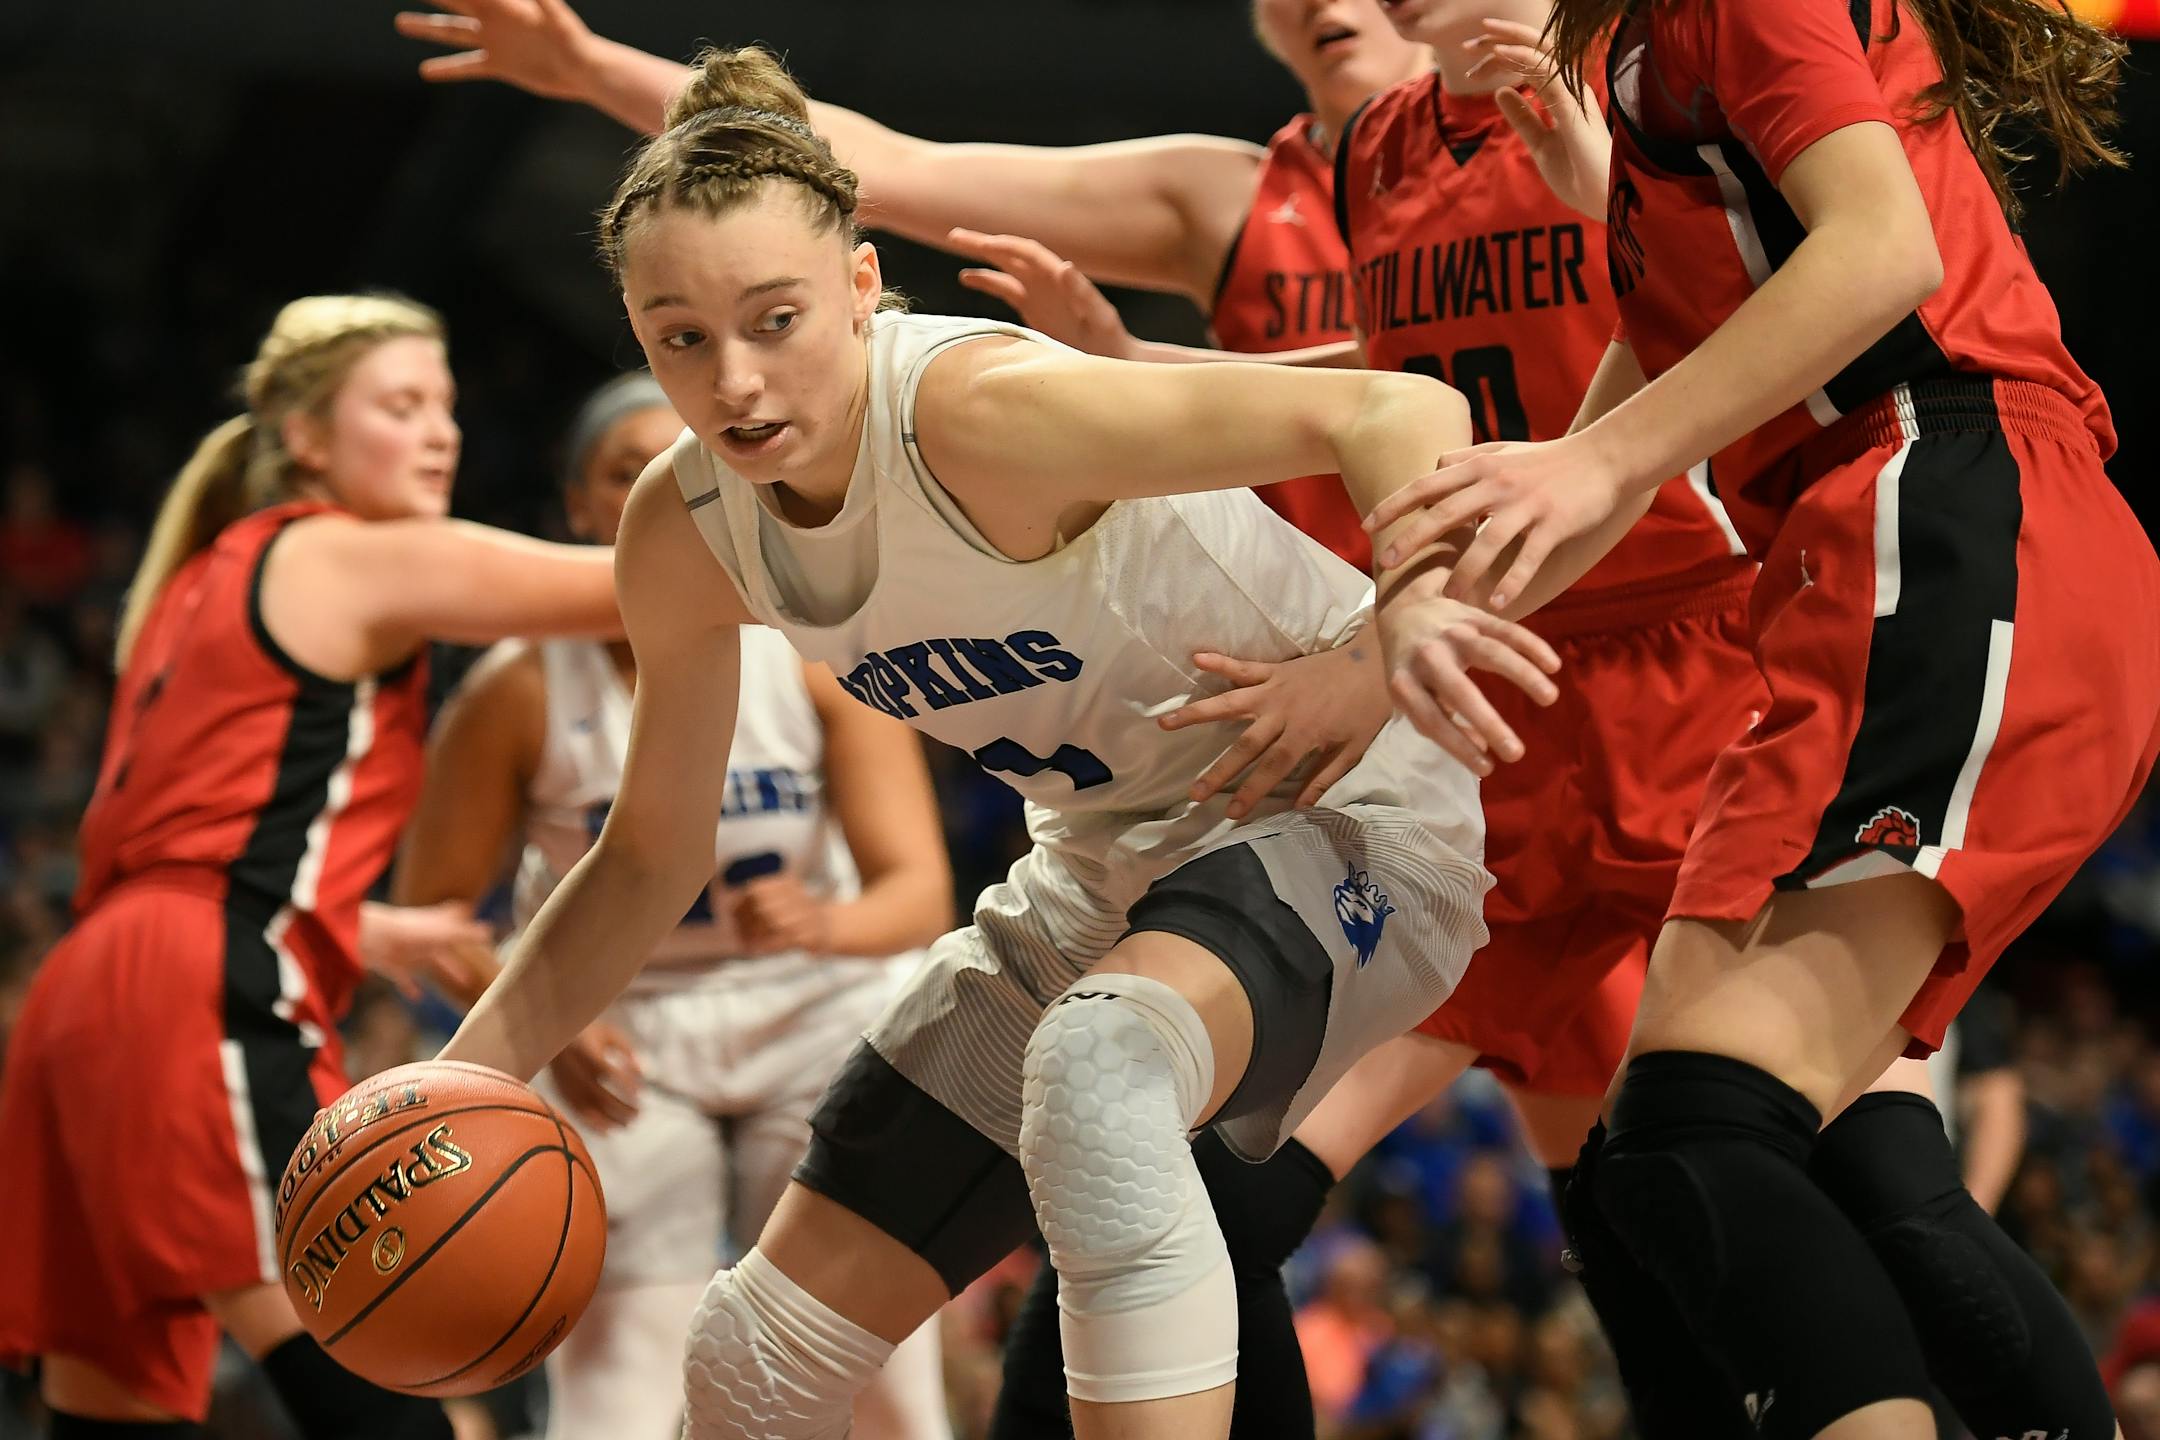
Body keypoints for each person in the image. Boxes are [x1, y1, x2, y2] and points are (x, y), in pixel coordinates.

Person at [435, 45, 1610, 1440]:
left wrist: (1384, 642)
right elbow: (646, 855)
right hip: (1109, 865)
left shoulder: (980, 414)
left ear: (864, 289)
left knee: (1100, 1084)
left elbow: (1396, 407)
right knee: (751, 1357)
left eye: (775, 320)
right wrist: (460, 1075)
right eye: (681, 337)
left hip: (1348, 801)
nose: (735, 380)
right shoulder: (685, 531)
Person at [1373, 0, 2160, 1434]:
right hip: (1876, 544)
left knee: (1695, 1138)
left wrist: (1591, 460)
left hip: (1946, 501)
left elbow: (1883, 251)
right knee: (1730, 1155)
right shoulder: (1628, 54)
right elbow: (1660, 402)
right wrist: (1386, 642)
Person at [0, 295, 622, 1438]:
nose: (441, 432)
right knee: (380, 1330)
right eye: (401, 406)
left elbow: (194, 839)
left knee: (109, 1406)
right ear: (306, 439)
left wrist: (374, 930)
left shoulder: (202, 572)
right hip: (188, 987)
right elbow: (630, 587)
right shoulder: (347, 554)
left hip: (89, 996)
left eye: (446, 406)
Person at [392, 372, 954, 1440]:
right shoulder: (517, 690)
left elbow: (919, 893)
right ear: (577, 510)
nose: (661, 484)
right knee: (619, 1381)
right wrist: (549, 1016)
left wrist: (824, 923)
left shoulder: (809, 653)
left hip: (814, 1007)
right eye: (625, 470)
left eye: (685, 460)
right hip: (624, 1031)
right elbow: (432, 920)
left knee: (880, 1374)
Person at [392, 0, 1425, 566]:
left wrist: (1135, 360)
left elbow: (1454, 387)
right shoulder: (1226, 195)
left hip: (1511, 606)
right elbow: (887, 170)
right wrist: (583, 66)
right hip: (1312, 646)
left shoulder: (1555, 151)